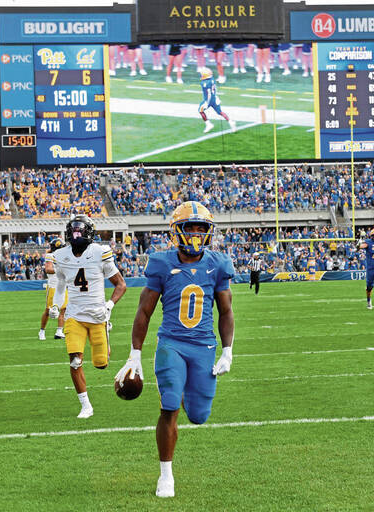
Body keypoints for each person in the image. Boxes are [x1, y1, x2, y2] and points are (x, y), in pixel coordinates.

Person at [115, 201, 235, 499]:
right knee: (169, 405)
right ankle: (166, 475)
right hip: (172, 343)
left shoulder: (218, 264)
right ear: (176, 231)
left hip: (204, 346)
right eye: (189, 228)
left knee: (198, 415)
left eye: (201, 228)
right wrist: (135, 354)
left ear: (209, 232)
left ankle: (183, 389)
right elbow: (144, 311)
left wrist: (228, 350)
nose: (195, 234)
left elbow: (226, 311)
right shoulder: (161, 262)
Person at [49, 215, 126, 419]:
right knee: (75, 361)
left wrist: (109, 305)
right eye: (73, 230)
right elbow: (60, 285)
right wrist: (56, 305)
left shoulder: (100, 252)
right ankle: (86, 406)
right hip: (74, 316)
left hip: (98, 315)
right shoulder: (61, 255)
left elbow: (121, 284)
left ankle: (106, 332)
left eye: (79, 230)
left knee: (102, 364)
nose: (75, 234)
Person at [39, 238, 67, 341]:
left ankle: (59, 331)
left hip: (63, 285)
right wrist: (60, 270)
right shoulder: (50, 256)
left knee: (64, 309)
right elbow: (48, 269)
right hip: (53, 286)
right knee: (48, 310)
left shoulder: (64, 257)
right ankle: (42, 330)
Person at [198, 68, 236, 134]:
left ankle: (208, 124)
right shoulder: (212, 79)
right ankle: (230, 122)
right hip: (215, 98)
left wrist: (207, 102)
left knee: (200, 110)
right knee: (220, 112)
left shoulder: (204, 83)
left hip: (208, 100)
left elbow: (209, 93)